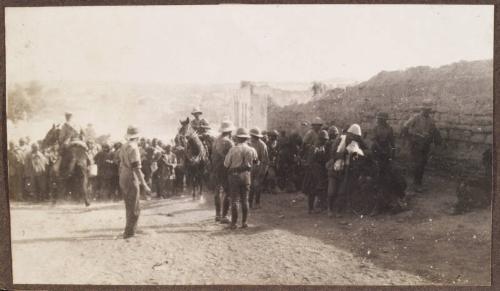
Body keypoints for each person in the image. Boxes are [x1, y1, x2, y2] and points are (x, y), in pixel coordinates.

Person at [402, 100, 442, 193]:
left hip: (425, 144)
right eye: (425, 109)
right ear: (422, 109)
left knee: (423, 163)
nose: (427, 111)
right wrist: (410, 138)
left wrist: (438, 141)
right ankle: (416, 184)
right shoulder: (416, 117)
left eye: (428, 110)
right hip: (416, 143)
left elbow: (434, 131)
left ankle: (418, 182)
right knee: (418, 163)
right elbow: (405, 127)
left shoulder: (430, 120)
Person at [119, 126, 151, 239]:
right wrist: (145, 184)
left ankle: (128, 229)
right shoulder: (134, 148)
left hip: (123, 174)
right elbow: (136, 168)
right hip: (131, 176)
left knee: (128, 204)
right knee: (135, 206)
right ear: (137, 137)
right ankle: (130, 232)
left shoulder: (124, 146)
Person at [224, 127, 257, 229]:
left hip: (234, 176)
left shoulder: (233, 149)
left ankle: (234, 223)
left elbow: (226, 164)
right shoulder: (252, 149)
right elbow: (256, 161)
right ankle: (244, 222)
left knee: (235, 200)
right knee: (245, 200)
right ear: (246, 138)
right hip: (246, 175)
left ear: (237, 138)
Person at [332, 124, 368, 217]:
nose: (353, 137)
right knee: (343, 188)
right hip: (346, 167)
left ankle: (348, 208)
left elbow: (363, 151)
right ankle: (339, 210)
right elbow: (337, 154)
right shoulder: (344, 141)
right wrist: (347, 154)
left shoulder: (355, 141)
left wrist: (356, 155)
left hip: (353, 167)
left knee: (351, 188)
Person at [211, 120, 235, 223]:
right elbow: (233, 156)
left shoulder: (216, 140)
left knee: (217, 192)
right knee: (228, 192)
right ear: (229, 131)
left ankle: (217, 214)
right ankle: (224, 216)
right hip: (225, 170)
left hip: (216, 169)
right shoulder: (229, 142)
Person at [308, 130, 330, 214]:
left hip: (320, 171)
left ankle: (319, 207)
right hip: (314, 172)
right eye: (324, 140)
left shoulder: (322, 147)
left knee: (319, 189)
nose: (325, 142)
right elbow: (311, 161)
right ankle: (310, 208)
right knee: (312, 190)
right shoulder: (314, 148)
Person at [248, 127, 269, 209]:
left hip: (259, 167)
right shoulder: (249, 143)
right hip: (250, 168)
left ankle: (257, 202)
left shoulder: (262, 145)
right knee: (250, 186)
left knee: (257, 186)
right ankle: (249, 203)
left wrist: (262, 171)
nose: (252, 137)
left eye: (253, 136)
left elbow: (264, 160)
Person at [325, 126, 342, 217]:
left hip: (340, 169)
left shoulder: (340, 144)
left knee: (339, 191)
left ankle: (335, 210)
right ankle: (330, 209)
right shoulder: (328, 144)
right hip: (332, 169)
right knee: (331, 191)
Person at [265, 130, 280, 194]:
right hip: (269, 161)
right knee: (271, 175)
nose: (276, 137)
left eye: (276, 136)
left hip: (275, 161)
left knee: (274, 175)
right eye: (274, 136)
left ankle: (271, 188)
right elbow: (266, 153)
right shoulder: (267, 143)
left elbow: (278, 151)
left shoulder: (277, 143)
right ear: (271, 136)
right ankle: (269, 188)